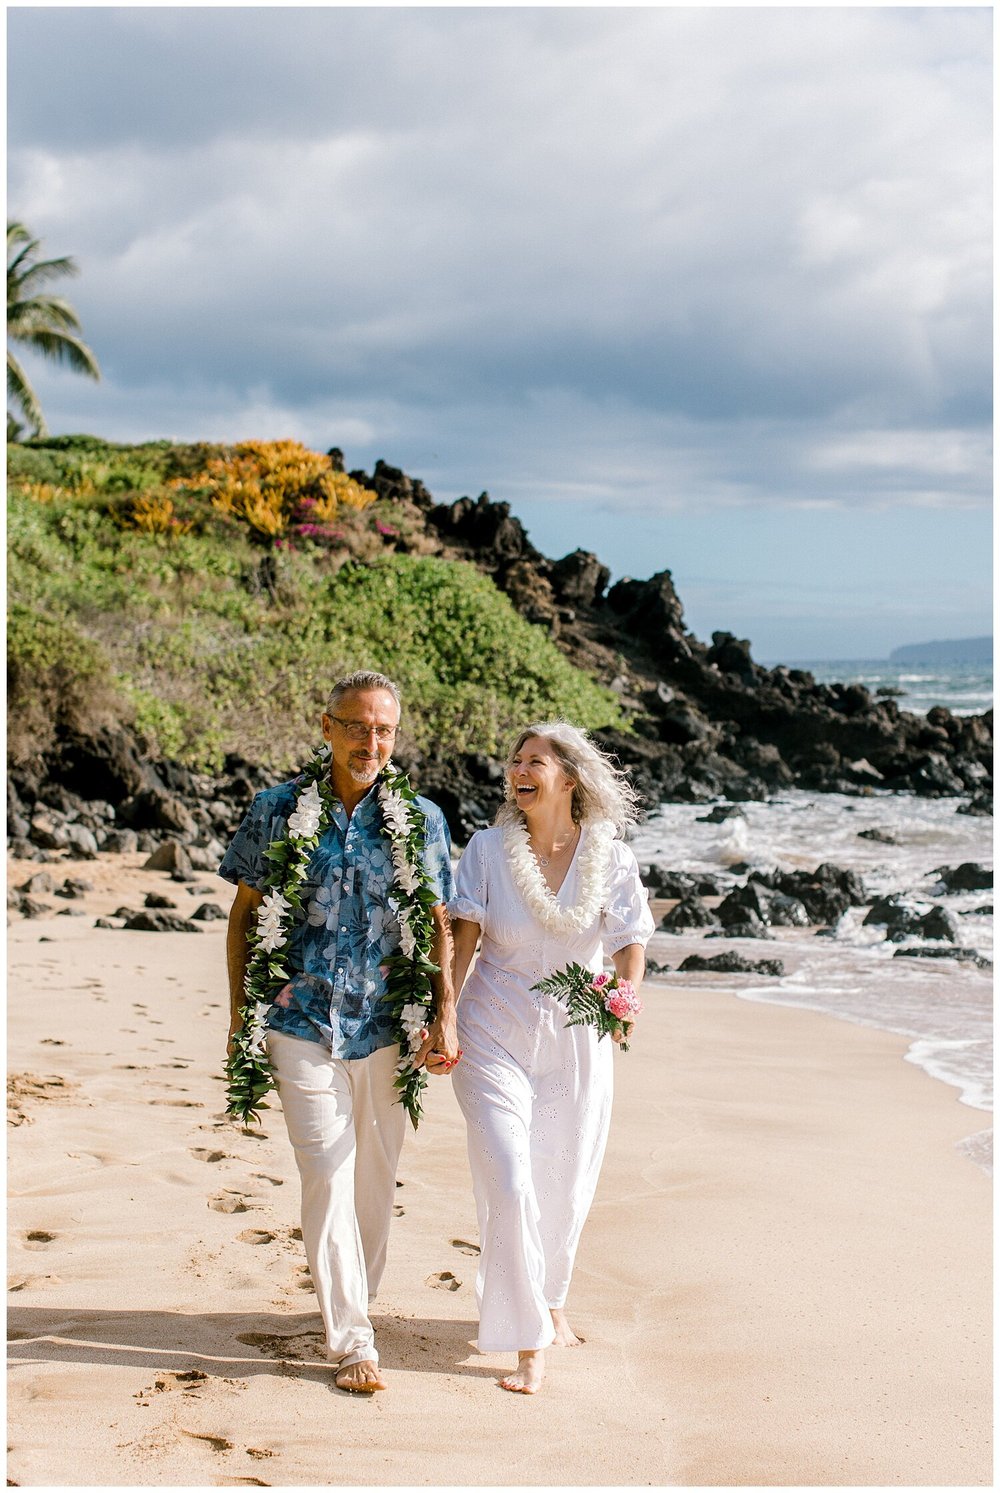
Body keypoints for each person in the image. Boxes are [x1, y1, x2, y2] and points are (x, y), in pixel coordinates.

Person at [220, 670, 459, 1394]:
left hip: (390, 1024)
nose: (371, 741)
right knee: (326, 1166)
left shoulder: (423, 818)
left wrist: (445, 1009)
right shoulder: (274, 809)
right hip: (300, 1018)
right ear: (326, 728)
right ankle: (354, 1335)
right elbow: (243, 912)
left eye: (384, 728)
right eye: (357, 726)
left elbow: (438, 922)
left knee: (375, 1180)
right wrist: (239, 1013)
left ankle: (356, 1295)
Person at [448, 720, 654, 1394]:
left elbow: (629, 936)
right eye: (514, 761)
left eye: (533, 760)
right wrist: (443, 1014)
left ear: (568, 776)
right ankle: (528, 1339)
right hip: (492, 1031)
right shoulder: (485, 850)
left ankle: (550, 1298)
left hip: (577, 1034)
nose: (517, 770)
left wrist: (625, 997)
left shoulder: (610, 856)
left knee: (561, 1180)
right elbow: (465, 940)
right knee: (509, 1176)